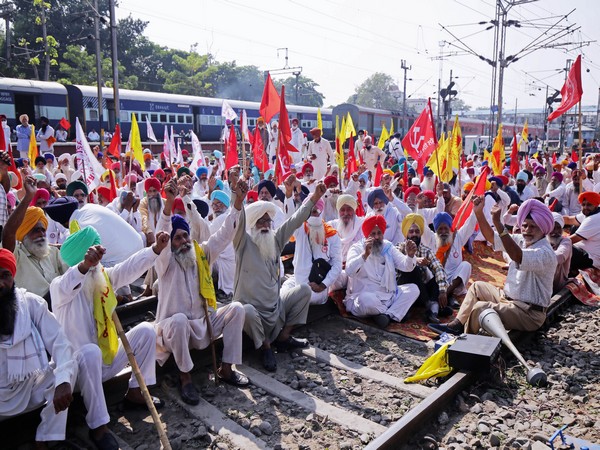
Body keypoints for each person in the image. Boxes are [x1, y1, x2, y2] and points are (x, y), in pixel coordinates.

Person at [50, 226, 169, 449]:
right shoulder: (59, 287)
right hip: (78, 370)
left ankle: (135, 393)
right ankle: (98, 427)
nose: (99, 262)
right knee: (90, 352)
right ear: (81, 258)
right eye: (92, 256)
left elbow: (128, 268)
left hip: (106, 358)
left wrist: (154, 249)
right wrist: (85, 265)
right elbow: (70, 281)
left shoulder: (101, 279)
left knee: (145, 330)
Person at [154, 178, 249, 405]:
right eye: (178, 238)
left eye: (186, 235)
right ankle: (185, 378)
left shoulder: (200, 253)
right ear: (170, 242)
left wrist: (238, 202)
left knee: (236, 308)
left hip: (203, 325)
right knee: (177, 321)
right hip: (174, 331)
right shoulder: (164, 261)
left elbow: (225, 234)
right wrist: (168, 203)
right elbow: (162, 233)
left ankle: (226, 368)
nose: (184, 241)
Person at [232, 179, 327, 372]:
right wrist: (238, 198)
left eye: (269, 221)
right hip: (254, 315)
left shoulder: (275, 240)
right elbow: (237, 220)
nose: (266, 225)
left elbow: (294, 221)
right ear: (253, 224)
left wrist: (314, 197)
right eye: (261, 221)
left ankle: (284, 337)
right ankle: (265, 346)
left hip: (275, 310)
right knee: (245, 310)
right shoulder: (243, 243)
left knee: (303, 291)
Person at [429, 198, 557, 335]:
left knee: (481, 308)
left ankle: (465, 340)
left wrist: (498, 224)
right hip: (509, 301)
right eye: (525, 226)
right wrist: (479, 213)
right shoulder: (521, 240)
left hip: (529, 313)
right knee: (477, 287)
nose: (527, 230)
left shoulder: (545, 253)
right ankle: (456, 325)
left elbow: (517, 256)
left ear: (543, 229)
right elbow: (491, 237)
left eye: (533, 226)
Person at [0, 248, 77, 448]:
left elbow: (60, 343)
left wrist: (62, 381)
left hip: (27, 387)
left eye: (5, 276)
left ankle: (47, 438)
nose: (0, 283)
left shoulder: (31, 304)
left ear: (13, 276)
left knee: (67, 368)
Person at [344, 215, 420, 328]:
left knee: (413, 289)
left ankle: (386, 315)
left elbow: (406, 266)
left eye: (379, 233)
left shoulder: (387, 247)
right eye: (373, 234)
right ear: (366, 235)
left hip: (388, 296)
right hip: (364, 296)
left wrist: (410, 256)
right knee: (367, 301)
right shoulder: (356, 248)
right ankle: (394, 312)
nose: (376, 237)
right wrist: (364, 255)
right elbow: (349, 271)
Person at [2, 177, 68, 302]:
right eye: (35, 230)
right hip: (31, 313)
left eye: (43, 230)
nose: (41, 234)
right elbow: (8, 233)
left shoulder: (53, 253)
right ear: (24, 233)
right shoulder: (16, 255)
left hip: (61, 308)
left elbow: (69, 278)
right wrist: (29, 196)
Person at [283, 197, 342, 305]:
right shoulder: (300, 228)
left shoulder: (332, 235)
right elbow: (289, 222)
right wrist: (288, 195)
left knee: (297, 299)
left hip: (317, 288)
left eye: (315, 211)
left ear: (321, 211)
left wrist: (323, 285)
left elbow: (337, 264)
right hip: (297, 281)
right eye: (309, 210)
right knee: (281, 295)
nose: (312, 214)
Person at [397, 214, 451, 323]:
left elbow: (438, 268)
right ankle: (431, 307)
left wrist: (442, 291)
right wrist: (415, 260)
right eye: (411, 232)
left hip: (422, 292)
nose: (414, 234)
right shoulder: (399, 248)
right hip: (405, 290)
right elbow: (398, 263)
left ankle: (433, 310)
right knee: (414, 269)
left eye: (417, 231)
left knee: (436, 277)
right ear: (406, 234)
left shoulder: (426, 250)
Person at [565, 192, 600, 274]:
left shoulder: (594, 219)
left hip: (592, 259)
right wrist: (551, 218)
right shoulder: (590, 214)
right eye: (583, 205)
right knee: (575, 226)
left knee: (564, 247)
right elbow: (569, 220)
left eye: (589, 205)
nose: (585, 207)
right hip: (583, 251)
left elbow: (570, 240)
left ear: (596, 205)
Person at [548, 212, 572, 294]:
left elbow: (560, 256)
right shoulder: (543, 240)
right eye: (553, 228)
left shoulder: (566, 241)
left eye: (558, 228)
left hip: (557, 286)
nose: (556, 232)